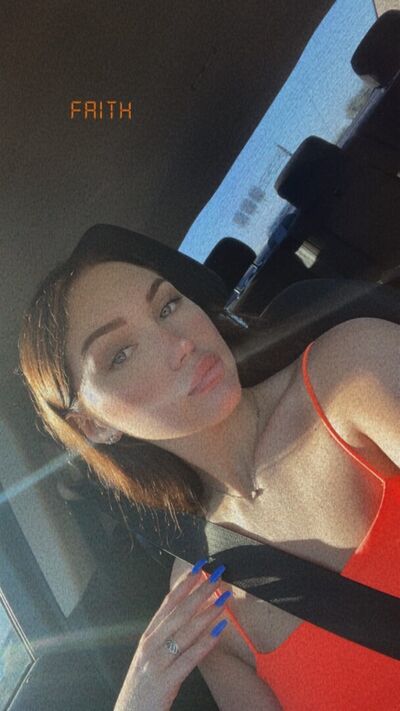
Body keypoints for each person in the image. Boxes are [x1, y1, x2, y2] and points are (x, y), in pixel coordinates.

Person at [18, 224, 400, 710]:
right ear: (93, 425)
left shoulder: (351, 371)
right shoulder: (199, 599)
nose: (179, 342)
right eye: (121, 354)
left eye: (167, 306)